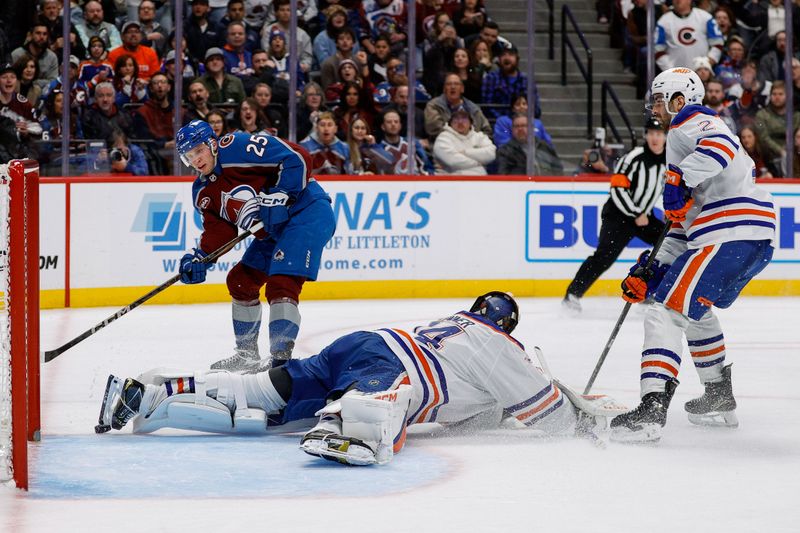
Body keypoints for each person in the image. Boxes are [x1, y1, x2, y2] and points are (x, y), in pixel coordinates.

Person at [97, 292, 627, 465]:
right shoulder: (499, 344)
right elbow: (544, 412)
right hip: (391, 368)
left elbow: (481, 409)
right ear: (507, 326)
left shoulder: (453, 323)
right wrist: (580, 418)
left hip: (362, 341)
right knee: (381, 403)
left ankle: (149, 393)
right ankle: (344, 424)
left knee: (264, 394)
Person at [610, 68, 776, 443]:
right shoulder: (686, 141)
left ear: (678, 99)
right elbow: (682, 229)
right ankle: (718, 396)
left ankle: (652, 408)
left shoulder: (691, 122)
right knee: (692, 309)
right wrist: (652, 269)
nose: (654, 106)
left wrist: (676, 178)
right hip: (746, 237)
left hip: (729, 232)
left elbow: (719, 148)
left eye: (658, 98)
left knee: (665, 311)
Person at [173, 120, 336, 372]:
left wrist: (282, 193)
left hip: (307, 212)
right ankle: (246, 356)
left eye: (199, 151)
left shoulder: (238, 147)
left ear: (212, 144)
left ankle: (281, 363)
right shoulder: (203, 191)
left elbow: (297, 157)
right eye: (189, 155)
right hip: (274, 231)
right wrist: (201, 258)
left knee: (281, 282)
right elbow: (221, 232)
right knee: (240, 281)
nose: (195, 160)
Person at [562, 118, 667, 313]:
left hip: (643, 216)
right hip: (619, 216)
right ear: (646, 135)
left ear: (665, 137)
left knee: (668, 246)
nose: (655, 138)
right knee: (604, 256)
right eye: (652, 133)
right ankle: (572, 295)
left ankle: (648, 293)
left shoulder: (669, 160)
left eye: (659, 134)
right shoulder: (634, 157)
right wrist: (635, 213)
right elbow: (617, 189)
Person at [655, 0, 724, 71]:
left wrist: (707, 64)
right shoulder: (663, 22)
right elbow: (658, 50)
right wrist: (671, 70)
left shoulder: (705, 17)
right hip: (677, 75)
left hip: (701, 73)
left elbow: (718, 43)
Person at [424, 72, 491, 142]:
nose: (453, 87)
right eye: (449, 84)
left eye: (456, 84)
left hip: (472, 146)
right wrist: (462, 138)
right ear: (444, 89)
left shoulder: (473, 108)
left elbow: (487, 131)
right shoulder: (434, 105)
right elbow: (434, 129)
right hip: (445, 144)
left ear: (462, 89)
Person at [432, 107, 495, 175]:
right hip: (450, 180)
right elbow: (452, 161)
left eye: (464, 118)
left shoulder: (479, 136)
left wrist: (465, 152)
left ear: (471, 123)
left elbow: (491, 154)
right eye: (456, 119)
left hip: (479, 179)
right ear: (450, 123)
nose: (460, 122)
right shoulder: (443, 138)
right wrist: (478, 163)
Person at [379, 110, 435, 174]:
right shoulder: (380, 149)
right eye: (389, 122)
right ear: (383, 127)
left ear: (400, 126)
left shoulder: (412, 143)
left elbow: (427, 166)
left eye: (396, 122)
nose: (393, 124)